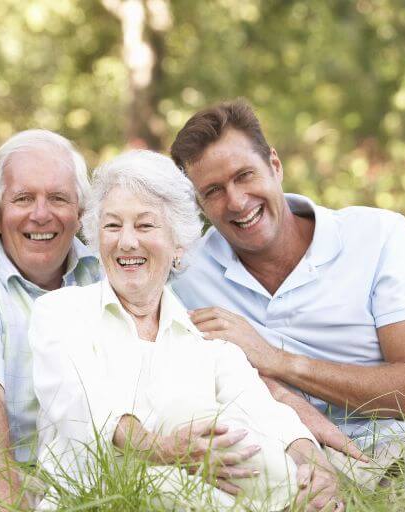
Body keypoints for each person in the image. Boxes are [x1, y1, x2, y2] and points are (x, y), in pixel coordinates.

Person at [168, 99, 405, 481]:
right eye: (214, 191)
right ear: (200, 204)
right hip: (330, 448)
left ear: (274, 165)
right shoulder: (184, 274)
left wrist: (276, 359)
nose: (237, 201)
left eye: (244, 175)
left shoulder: (377, 234)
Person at [29, 150, 343, 512]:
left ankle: (299, 498)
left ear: (178, 244)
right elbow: (82, 405)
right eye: (112, 226)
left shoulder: (205, 340)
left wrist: (313, 464)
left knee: (240, 440)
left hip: (200, 496)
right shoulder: (60, 314)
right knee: (166, 470)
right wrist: (160, 449)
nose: (127, 242)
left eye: (145, 226)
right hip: (95, 498)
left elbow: (263, 410)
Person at [0, 130, 102, 510]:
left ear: (79, 212)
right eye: (23, 198)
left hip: (114, 468)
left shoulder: (109, 270)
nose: (40, 214)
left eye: (58, 198)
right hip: (21, 472)